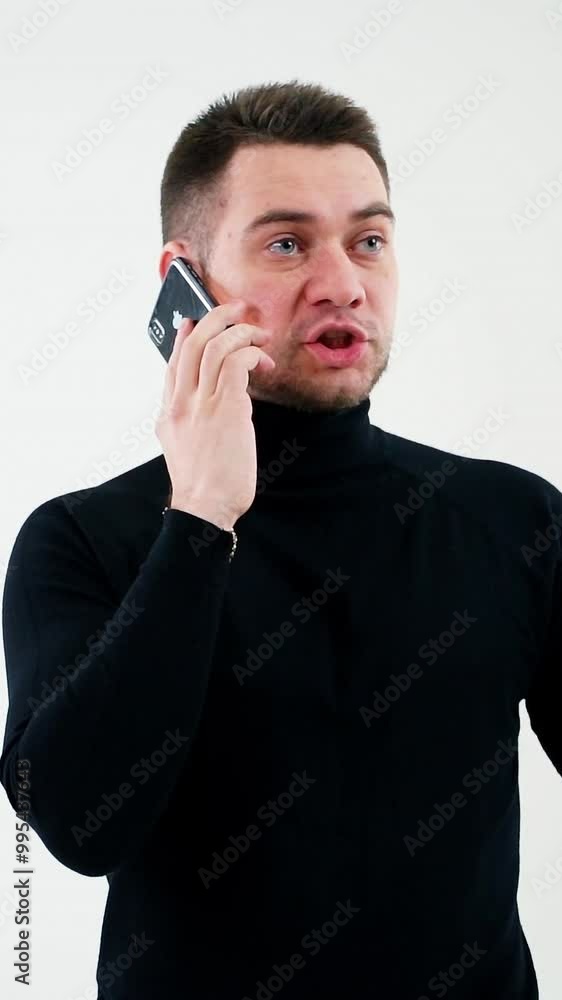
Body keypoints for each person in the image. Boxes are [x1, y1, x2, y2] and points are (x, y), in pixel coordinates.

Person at [1, 79, 560, 1000]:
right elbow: (76, 826)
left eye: (369, 240)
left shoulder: (513, 518)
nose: (344, 284)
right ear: (186, 282)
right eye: (288, 243)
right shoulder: (82, 539)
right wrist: (199, 519)